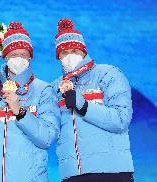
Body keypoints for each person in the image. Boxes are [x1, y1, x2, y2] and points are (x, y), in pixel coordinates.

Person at [0, 22, 60, 182]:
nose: (18, 59)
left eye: (23, 54)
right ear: (5, 57)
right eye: (13, 55)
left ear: (30, 57)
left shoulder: (43, 90)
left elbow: (47, 138)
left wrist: (20, 112)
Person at [51, 18, 134, 182]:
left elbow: (121, 120)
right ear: (58, 57)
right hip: (72, 174)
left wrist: (81, 104)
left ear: (84, 51)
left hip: (111, 172)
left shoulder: (108, 74)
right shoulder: (55, 87)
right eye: (64, 53)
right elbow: (45, 128)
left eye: (74, 51)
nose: (70, 56)